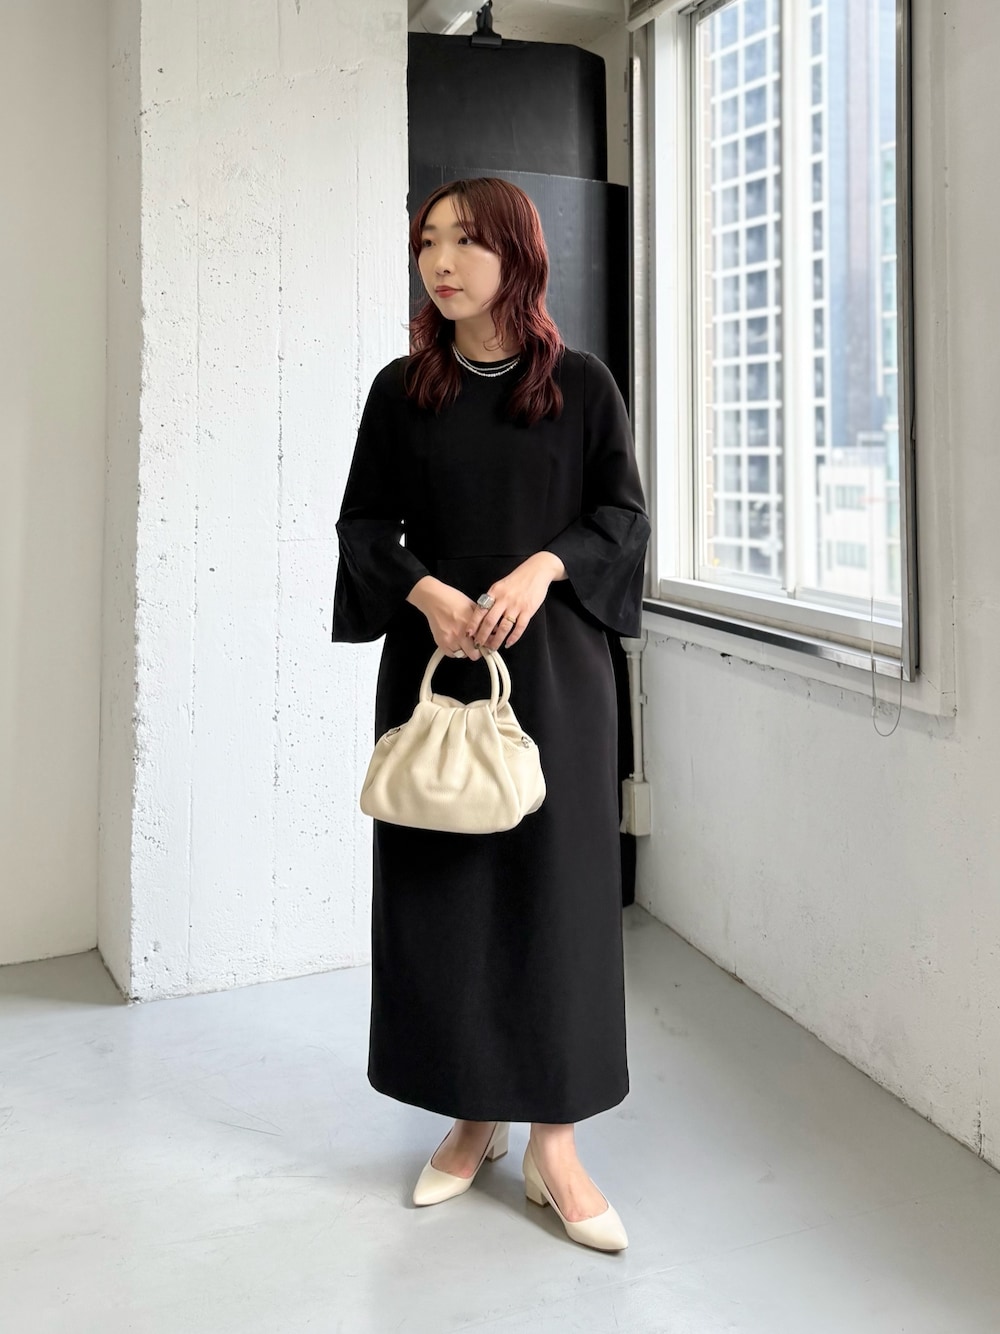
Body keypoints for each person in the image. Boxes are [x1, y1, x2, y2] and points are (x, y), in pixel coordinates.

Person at [331, 177, 650, 1253]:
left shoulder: (582, 385)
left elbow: (620, 517)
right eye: (428, 240)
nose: (441, 260)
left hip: (555, 672)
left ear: (518, 253)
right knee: (445, 891)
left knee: (559, 899)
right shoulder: (402, 390)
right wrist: (428, 591)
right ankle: (473, 1116)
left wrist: (541, 569)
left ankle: (555, 1144)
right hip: (437, 663)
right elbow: (365, 525)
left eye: (467, 240)